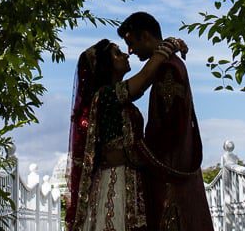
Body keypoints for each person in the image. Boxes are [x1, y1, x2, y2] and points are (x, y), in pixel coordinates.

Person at [66, 36, 183, 231]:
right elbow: (145, 77)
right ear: (106, 65)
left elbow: (149, 77)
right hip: (114, 181)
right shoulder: (105, 96)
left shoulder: (121, 100)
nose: (126, 55)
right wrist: (169, 45)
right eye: (117, 53)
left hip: (132, 178)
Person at [118, 12, 213, 231]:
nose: (130, 51)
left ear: (146, 37)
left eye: (132, 43)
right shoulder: (169, 63)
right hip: (176, 169)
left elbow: (170, 127)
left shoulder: (168, 69)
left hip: (170, 174)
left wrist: (137, 153)